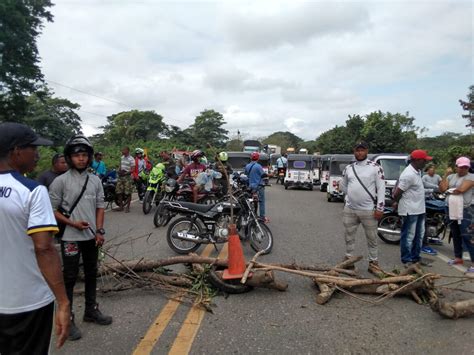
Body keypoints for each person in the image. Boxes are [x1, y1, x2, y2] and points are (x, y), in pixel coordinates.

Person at [0, 122, 70, 353]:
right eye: (33, 148)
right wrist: (63, 301)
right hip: (26, 303)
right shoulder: (31, 190)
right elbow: (44, 248)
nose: (38, 154)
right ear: (17, 151)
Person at [49, 135, 112, 341]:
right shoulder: (60, 182)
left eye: (85, 155)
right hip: (70, 237)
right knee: (69, 276)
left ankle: (91, 311)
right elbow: (52, 210)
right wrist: (73, 224)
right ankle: (68, 317)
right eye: (77, 156)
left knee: (92, 272)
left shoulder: (95, 180)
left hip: (91, 237)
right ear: (69, 158)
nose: (81, 159)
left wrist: (100, 231)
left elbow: (100, 207)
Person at [339, 141, 385, 272]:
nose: (360, 152)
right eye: (357, 150)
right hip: (350, 208)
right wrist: (351, 195)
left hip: (368, 209)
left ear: (367, 151)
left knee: (372, 237)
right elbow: (343, 185)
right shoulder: (349, 168)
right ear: (354, 151)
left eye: (362, 150)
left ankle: (373, 262)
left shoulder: (375, 167)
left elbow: (381, 188)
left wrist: (380, 208)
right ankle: (349, 260)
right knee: (349, 235)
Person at [392, 150, 433, 267]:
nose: (426, 162)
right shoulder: (408, 174)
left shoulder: (417, 171)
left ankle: (416, 258)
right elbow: (397, 192)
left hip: (419, 209)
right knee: (409, 236)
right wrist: (396, 202)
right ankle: (407, 259)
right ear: (417, 160)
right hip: (410, 210)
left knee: (419, 235)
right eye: (424, 160)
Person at [439, 157, 474, 273]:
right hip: (451, 208)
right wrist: (445, 175)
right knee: (455, 233)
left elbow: (461, 190)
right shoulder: (451, 176)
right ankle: (458, 257)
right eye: (461, 167)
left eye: (466, 167)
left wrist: (449, 189)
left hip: (465, 209)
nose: (463, 169)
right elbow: (442, 188)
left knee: (468, 235)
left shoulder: (471, 177)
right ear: (456, 167)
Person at [421, 164, 444, 247]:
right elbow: (424, 186)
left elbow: (442, 184)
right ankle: (423, 241)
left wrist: (441, 187)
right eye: (431, 169)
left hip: (434, 196)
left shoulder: (437, 176)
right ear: (428, 170)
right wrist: (434, 188)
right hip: (425, 198)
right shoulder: (424, 177)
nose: (433, 170)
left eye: (434, 169)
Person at [245, 151, 269, 223]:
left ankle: (249, 215)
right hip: (259, 186)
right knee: (261, 201)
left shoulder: (247, 166)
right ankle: (262, 217)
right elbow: (263, 175)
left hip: (250, 186)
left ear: (251, 158)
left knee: (249, 201)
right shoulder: (258, 166)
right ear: (258, 158)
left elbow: (246, 174)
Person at [114, 146, 135, 212]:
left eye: (124, 150)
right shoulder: (122, 158)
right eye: (122, 150)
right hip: (121, 176)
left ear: (128, 151)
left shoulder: (131, 159)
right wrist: (118, 171)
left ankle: (128, 207)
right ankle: (121, 206)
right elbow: (120, 166)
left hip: (127, 177)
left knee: (128, 192)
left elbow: (132, 169)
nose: (122, 151)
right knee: (118, 191)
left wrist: (125, 173)